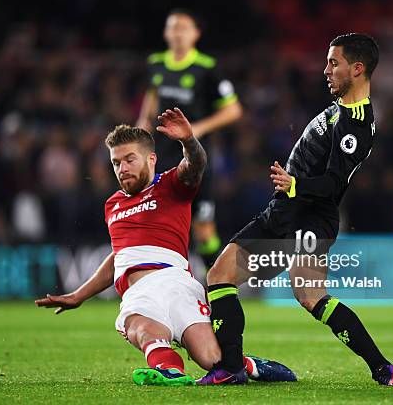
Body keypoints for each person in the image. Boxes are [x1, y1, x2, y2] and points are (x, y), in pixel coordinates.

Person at [199, 33, 393, 387]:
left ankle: (384, 368)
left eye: (333, 63)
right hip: (285, 210)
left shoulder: (355, 124)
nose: (325, 70)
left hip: (312, 217)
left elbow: (334, 183)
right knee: (219, 276)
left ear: (357, 69)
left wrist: (295, 185)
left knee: (310, 295)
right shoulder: (341, 108)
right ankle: (231, 367)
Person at [36, 108, 295, 386]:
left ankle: (248, 364)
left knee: (213, 360)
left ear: (151, 158)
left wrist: (189, 142)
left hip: (177, 284)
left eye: (129, 159)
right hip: (138, 292)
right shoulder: (112, 204)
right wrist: (79, 295)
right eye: (116, 163)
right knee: (142, 327)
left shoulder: (171, 184)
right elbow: (119, 256)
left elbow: (195, 165)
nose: (122, 169)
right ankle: (170, 372)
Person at [136, 8, 243, 269]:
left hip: (195, 159)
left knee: (204, 228)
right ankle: (163, 283)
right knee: (160, 221)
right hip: (161, 156)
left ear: (195, 34)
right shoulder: (156, 64)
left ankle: (218, 282)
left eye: (183, 28)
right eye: (173, 27)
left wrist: (200, 128)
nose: (177, 33)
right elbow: (152, 98)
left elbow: (233, 110)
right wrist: (142, 125)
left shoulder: (206, 68)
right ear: (165, 33)